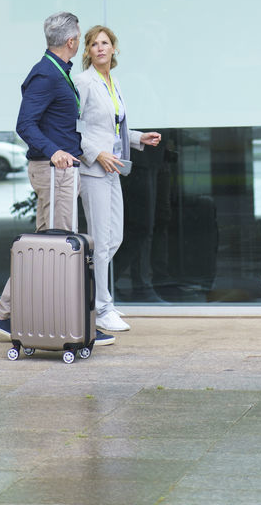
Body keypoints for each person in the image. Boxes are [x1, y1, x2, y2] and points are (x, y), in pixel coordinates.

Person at [0, 11, 115, 346]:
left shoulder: (57, 72)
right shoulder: (46, 74)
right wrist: (54, 151)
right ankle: (66, 323)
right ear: (73, 42)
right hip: (53, 170)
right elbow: (24, 124)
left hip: (60, 170)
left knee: (45, 245)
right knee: (56, 247)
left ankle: (5, 314)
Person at [76, 25, 161, 333]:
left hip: (113, 168)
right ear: (87, 51)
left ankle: (95, 297)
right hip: (93, 169)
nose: (100, 48)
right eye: (94, 44)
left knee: (115, 238)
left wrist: (139, 138)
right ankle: (101, 307)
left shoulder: (113, 81)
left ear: (114, 49)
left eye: (105, 43)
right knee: (100, 241)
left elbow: (114, 128)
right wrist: (95, 154)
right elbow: (74, 130)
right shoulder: (83, 82)